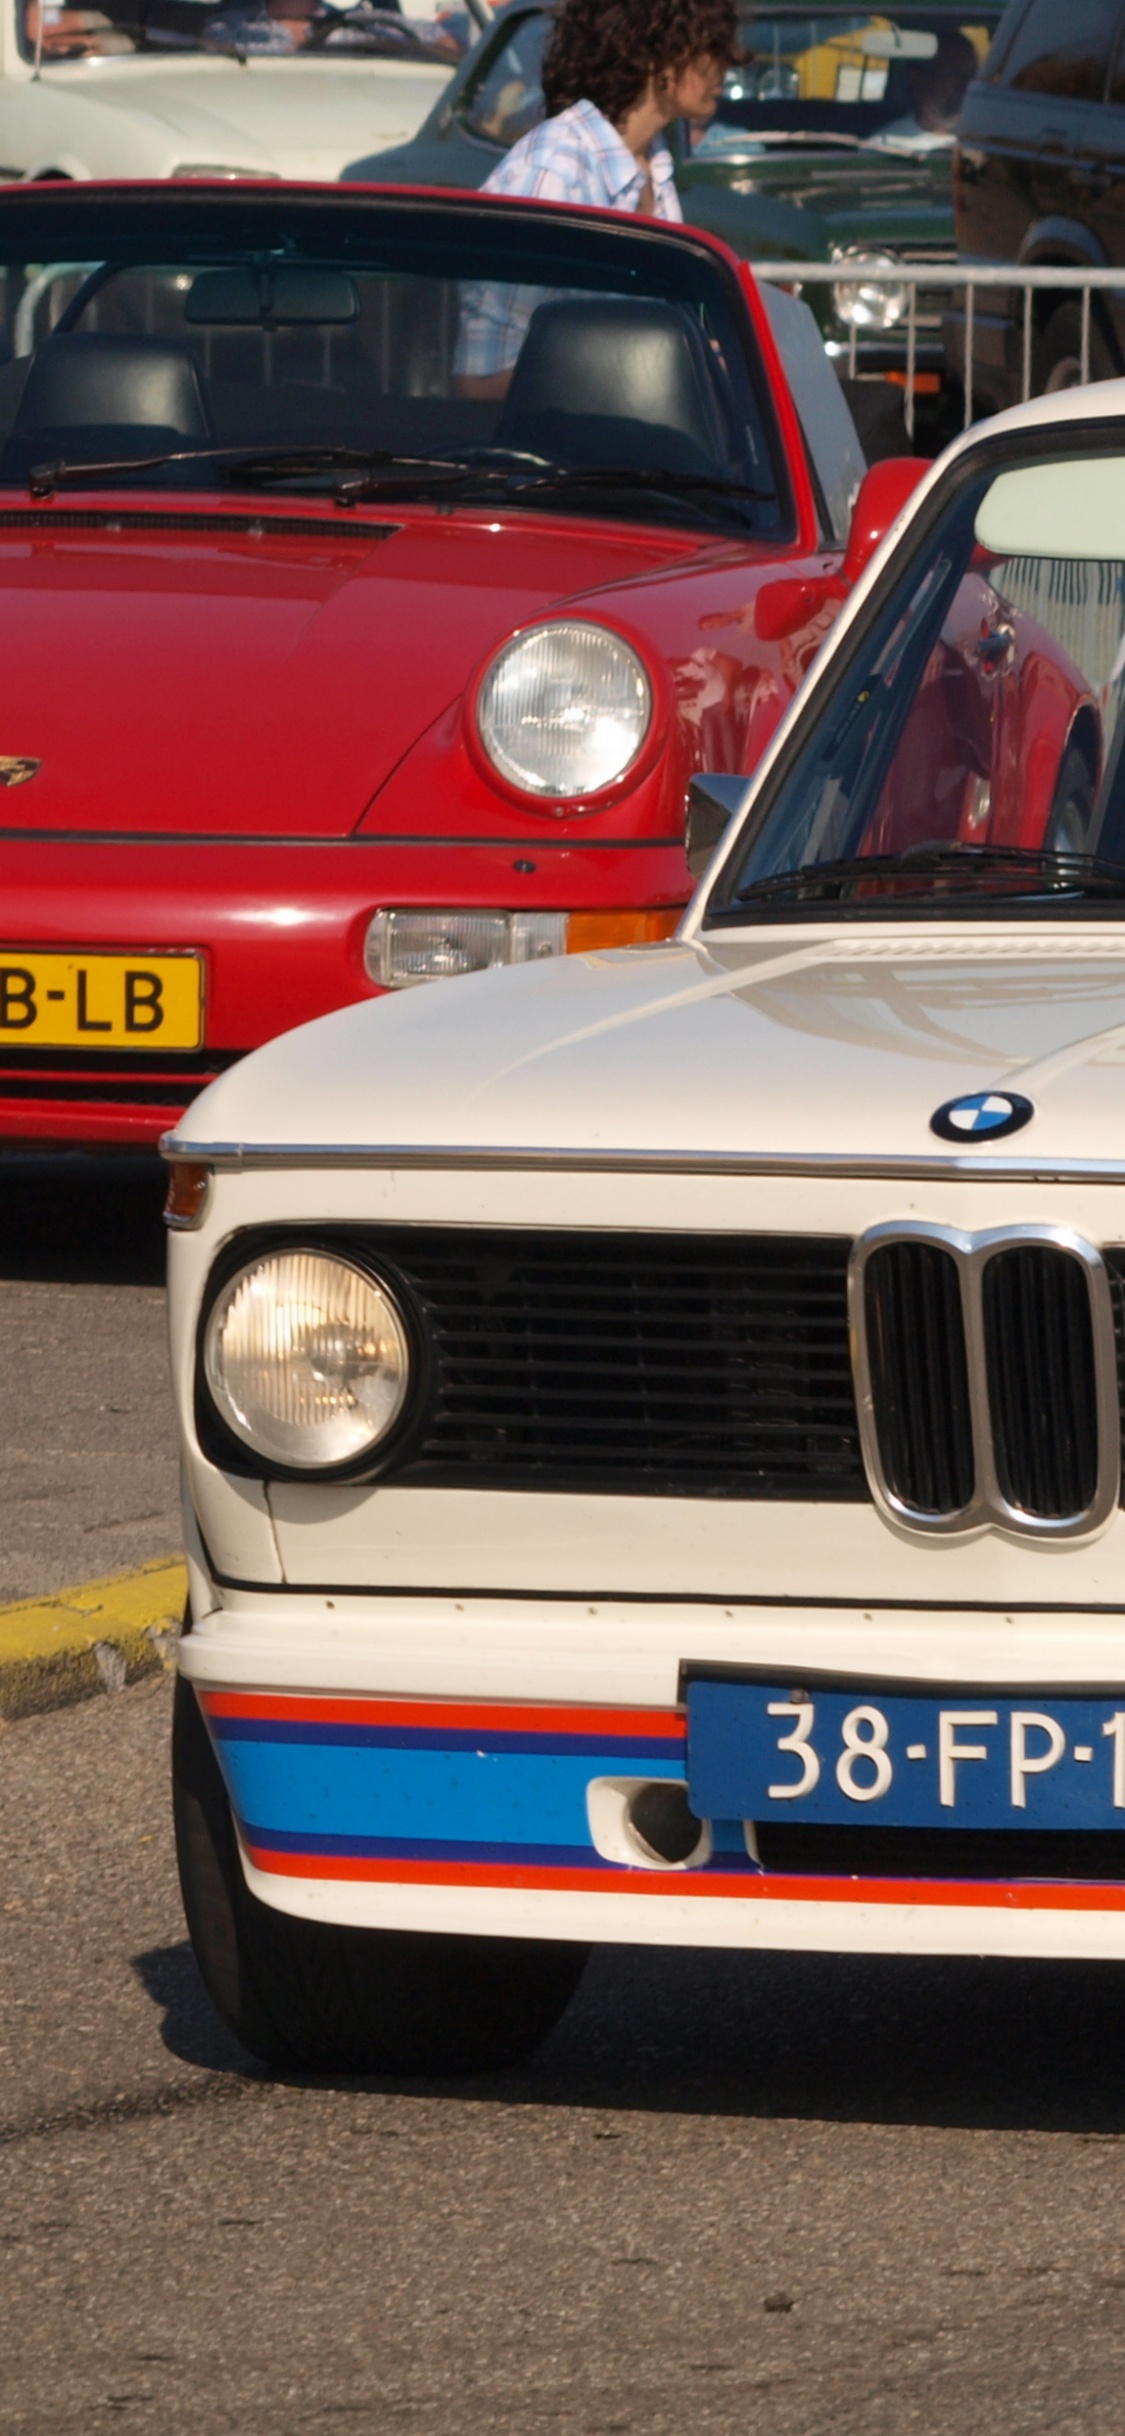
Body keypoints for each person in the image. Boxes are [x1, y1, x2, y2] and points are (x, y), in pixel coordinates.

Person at [455, 0, 738, 395]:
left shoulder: (652, 165)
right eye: (711, 44)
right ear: (656, 50)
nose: (728, 62)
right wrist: (651, 373)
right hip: (562, 452)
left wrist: (696, 361)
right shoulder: (554, 169)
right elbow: (482, 382)